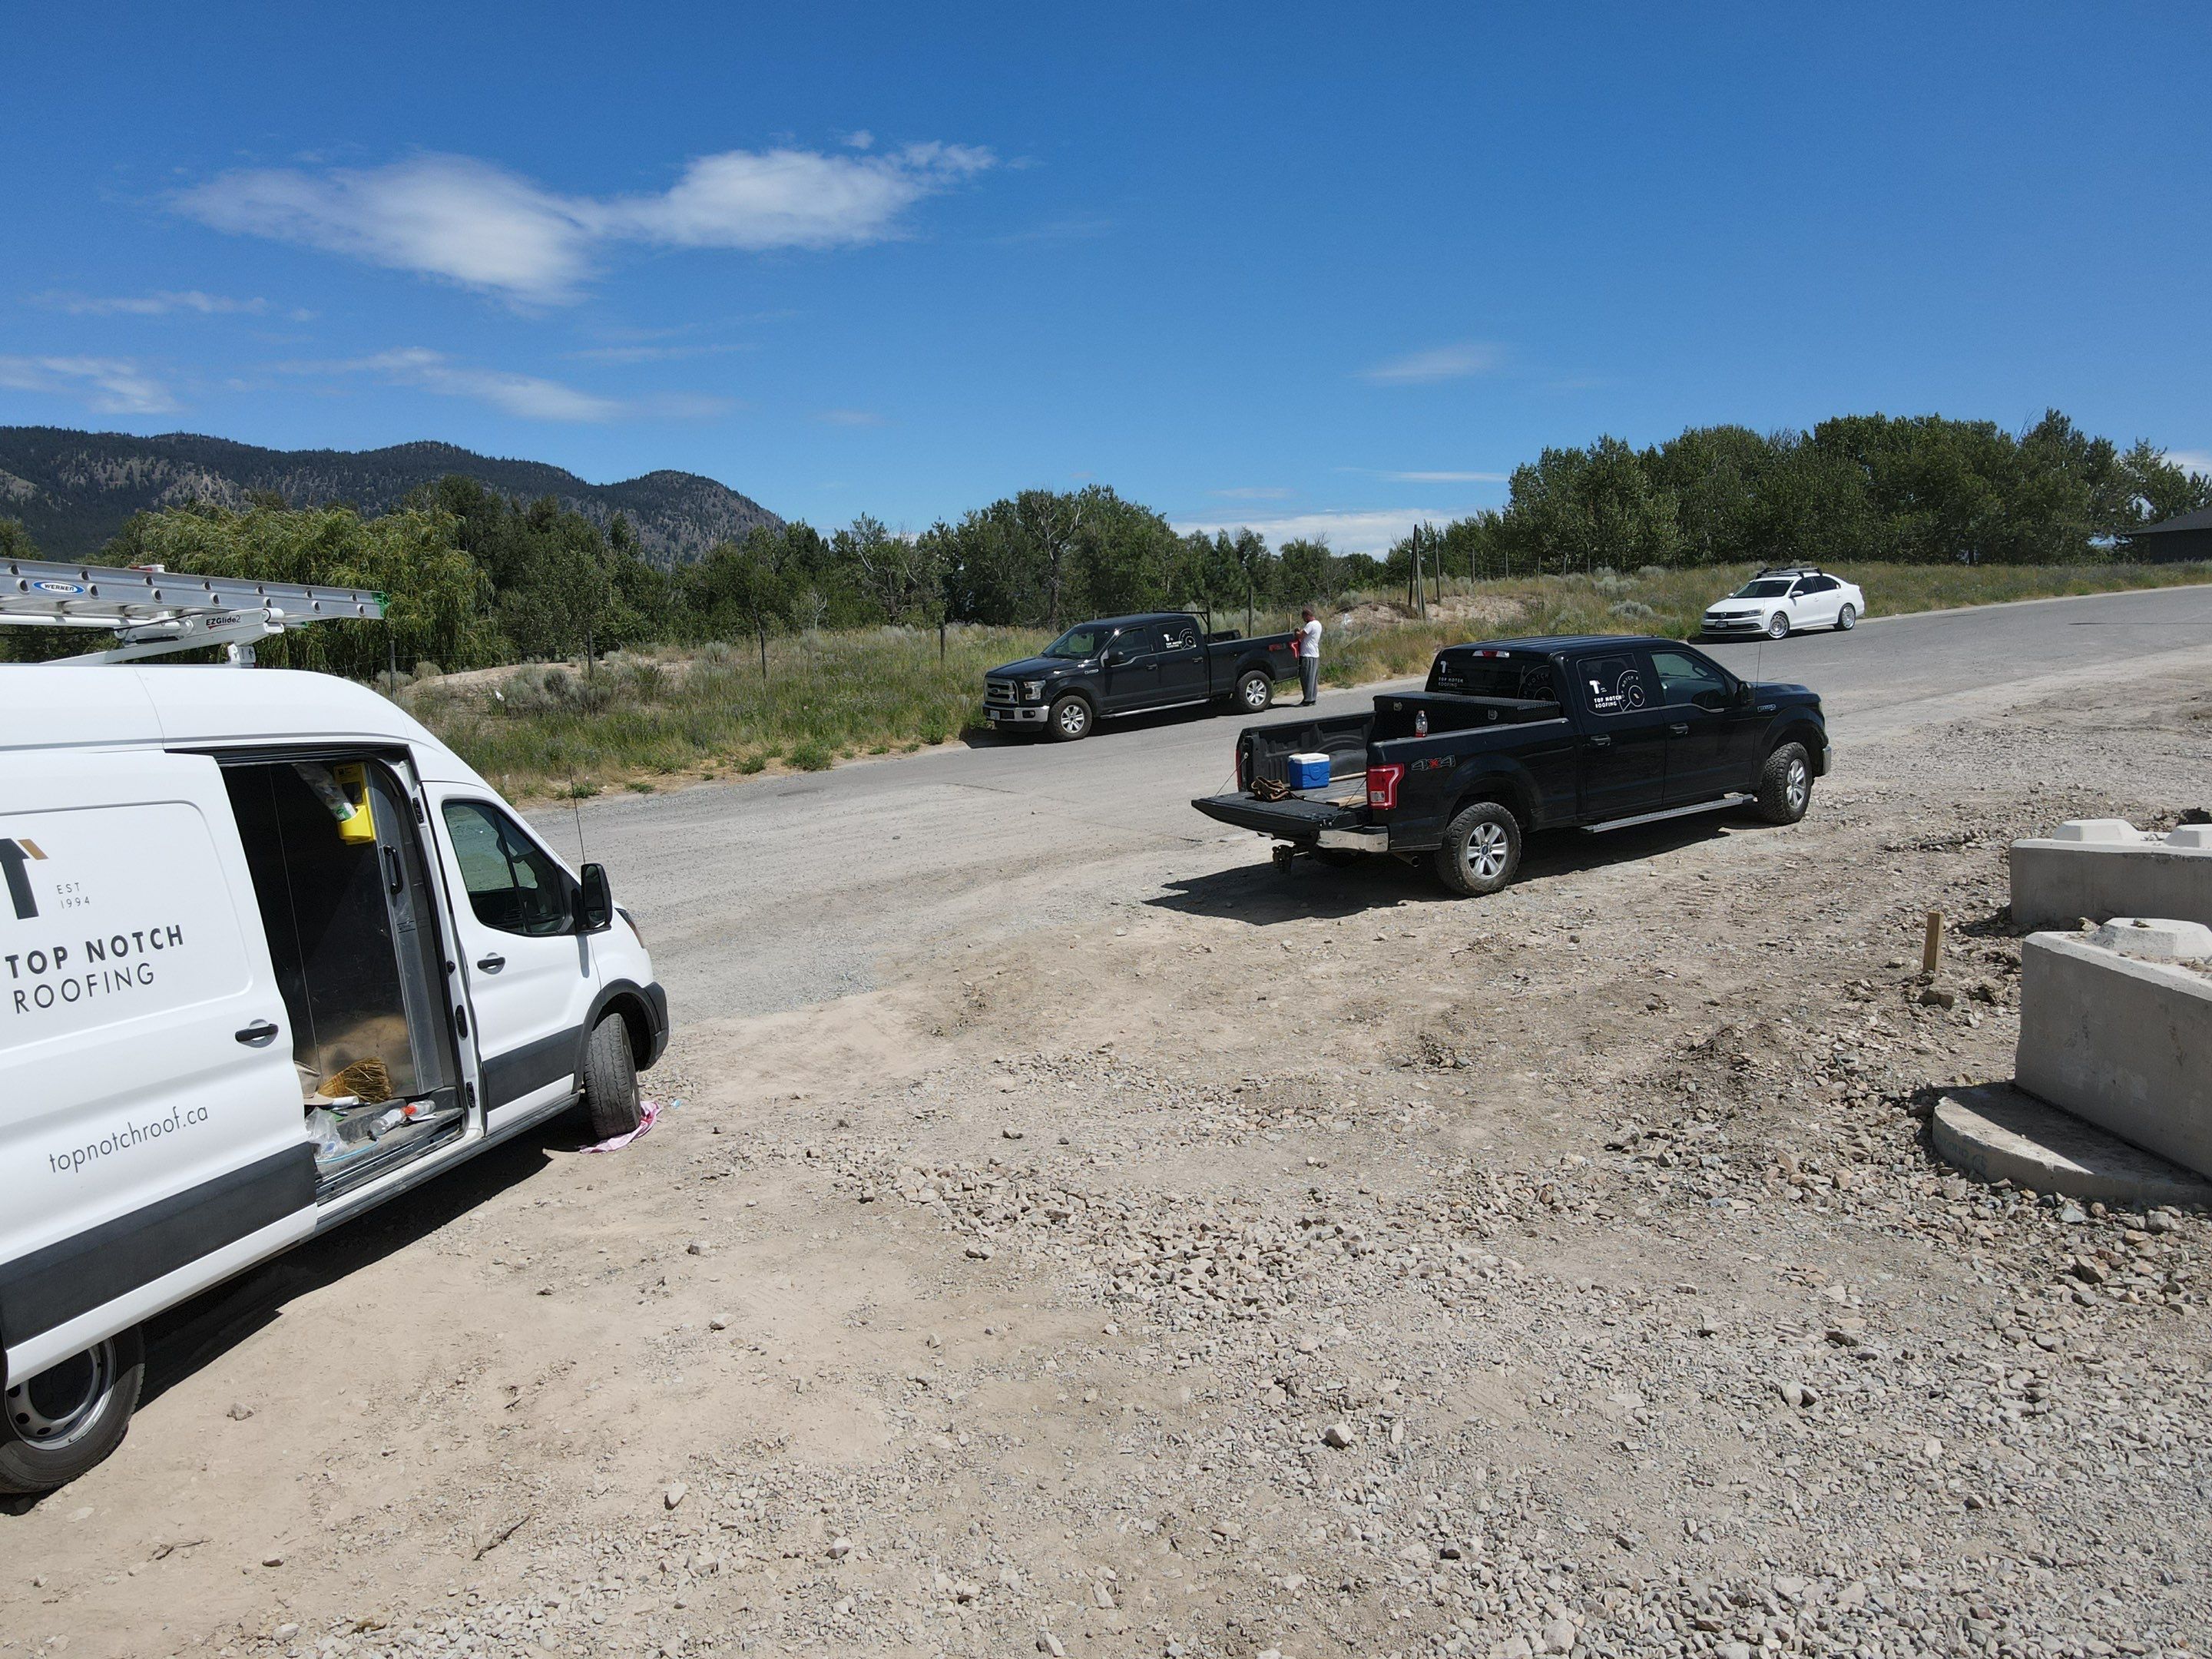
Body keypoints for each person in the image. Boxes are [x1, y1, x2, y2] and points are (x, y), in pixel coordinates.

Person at [1296, 606, 1322, 706]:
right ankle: (1312, 698)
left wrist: (1296, 631)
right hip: (1315, 654)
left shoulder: (1311, 625)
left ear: (1307, 616)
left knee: (1306, 677)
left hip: (1308, 654)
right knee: (1313, 678)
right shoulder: (1318, 624)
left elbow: (1300, 635)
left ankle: (1307, 699)